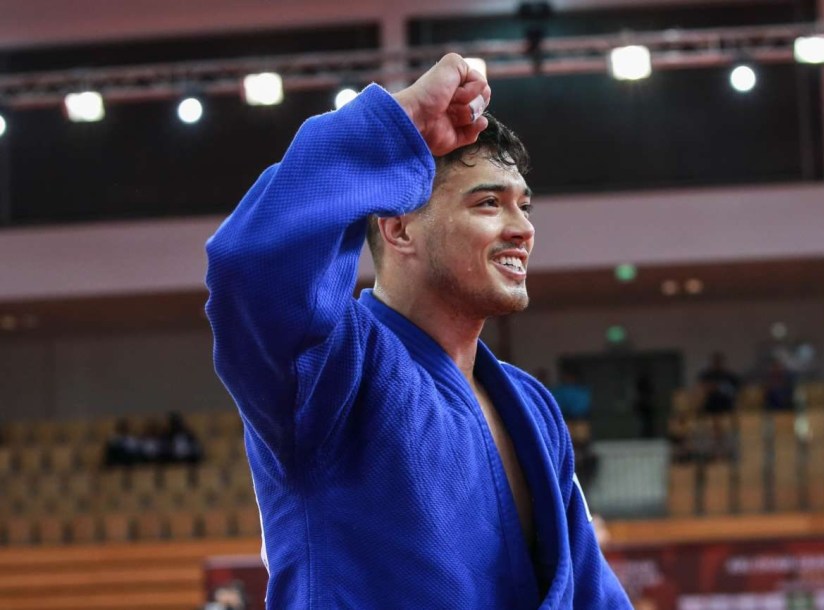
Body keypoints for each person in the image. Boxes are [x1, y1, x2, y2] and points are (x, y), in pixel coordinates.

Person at [205, 54, 631, 608]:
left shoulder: (533, 407)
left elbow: (591, 595)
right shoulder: (333, 370)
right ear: (399, 228)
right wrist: (394, 124)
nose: (522, 229)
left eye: (523, 206)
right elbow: (252, 268)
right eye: (488, 203)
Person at [696, 352, 740, 454]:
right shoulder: (706, 375)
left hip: (726, 406)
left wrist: (718, 387)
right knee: (709, 428)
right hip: (711, 407)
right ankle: (712, 449)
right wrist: (709, 388)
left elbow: (734, 391)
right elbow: (701, 388)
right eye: (715, 362)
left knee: (728, 428)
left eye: (719, 362)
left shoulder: (729, 376)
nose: (717, 364)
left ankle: (727, 449)